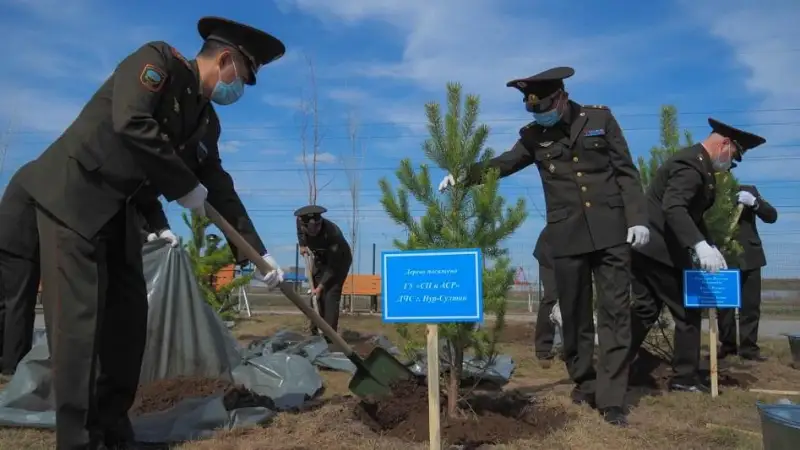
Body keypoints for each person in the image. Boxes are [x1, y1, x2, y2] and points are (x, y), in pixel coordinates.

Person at [14, 16, 286, 449]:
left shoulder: (205, 120)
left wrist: (256, 252)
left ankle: (113, 429)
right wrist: (183, 187)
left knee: (128, 325)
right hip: (73, 199)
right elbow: (131, 122)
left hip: (121, 213)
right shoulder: (157, 61)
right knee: (80, 328)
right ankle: (79, 439)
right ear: (227, 59)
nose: (241, 87)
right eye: (245, 76)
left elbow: (217, 183)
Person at [438, 66, 648, 426]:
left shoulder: (600, 118)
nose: (539, 114)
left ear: (561, 96)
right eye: (532, 109)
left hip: (611, 231)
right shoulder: (534, 136)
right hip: (566, 236)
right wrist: (464, 176)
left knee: (615, 313)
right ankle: (585, 382)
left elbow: (626, 171)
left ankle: (613, 400)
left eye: (544, 106)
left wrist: (638, 218)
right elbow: (504, 163)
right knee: (576, 314)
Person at [629, 118, 766, 394]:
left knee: (644, 310)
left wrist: (711, 245)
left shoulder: (697, 164)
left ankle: (614, 363)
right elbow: (674, 208)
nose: (731, 164)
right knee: (688, 311)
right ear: (725, 144)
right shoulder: (691, 166)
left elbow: (692, 215)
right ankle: (684, 378)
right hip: (661, 250)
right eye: (734, 157)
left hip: (650, 250)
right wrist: (699, 246)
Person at [717, 185, 777, 361]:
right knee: (725, 307)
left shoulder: (749, 191)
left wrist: (755, 203)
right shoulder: (713, 190)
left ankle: (748, 349)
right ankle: (727, 346)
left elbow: (771, 216)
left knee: (750, 306)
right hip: (725, 256)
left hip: (751, 257)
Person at [295, 205, 353, 335]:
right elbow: (299, 228)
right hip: (320, 258)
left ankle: (329, 336)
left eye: (317, 228)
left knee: (330, 294)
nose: (314, 232)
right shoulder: (300, 221)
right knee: (316, 296)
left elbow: (332, 267)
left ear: (320, 222)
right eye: (310, 230)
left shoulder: (333, 233)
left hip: (339, 261)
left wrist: (321, 287)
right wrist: (302, 244)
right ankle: (315, 332)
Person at [533, 227, 561, 366]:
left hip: (572, 252)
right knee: (551, 296)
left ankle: (571, 347)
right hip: (549, 251)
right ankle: (543, 349)